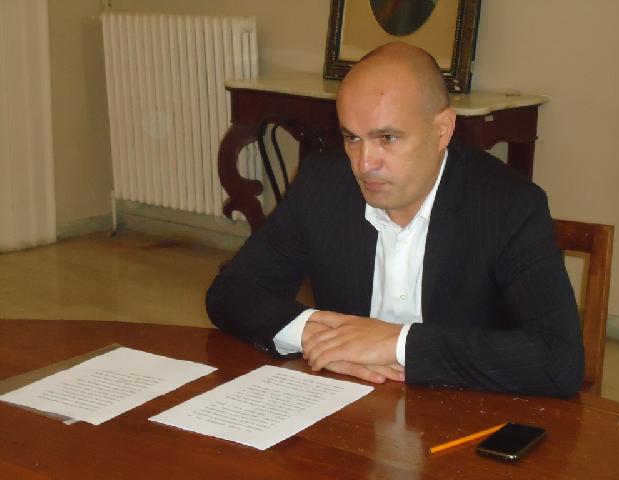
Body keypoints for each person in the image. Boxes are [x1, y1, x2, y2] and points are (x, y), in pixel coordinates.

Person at [206, 42, 584, 397]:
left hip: (462, 414)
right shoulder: (322, 185)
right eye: (352, 138)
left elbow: (559, 359)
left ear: (442, 130)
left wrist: (397, 343)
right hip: (348, 407)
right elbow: (231, 291)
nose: (364, 164)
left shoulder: (508, 206)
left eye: (387, 138)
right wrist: (317, 335)